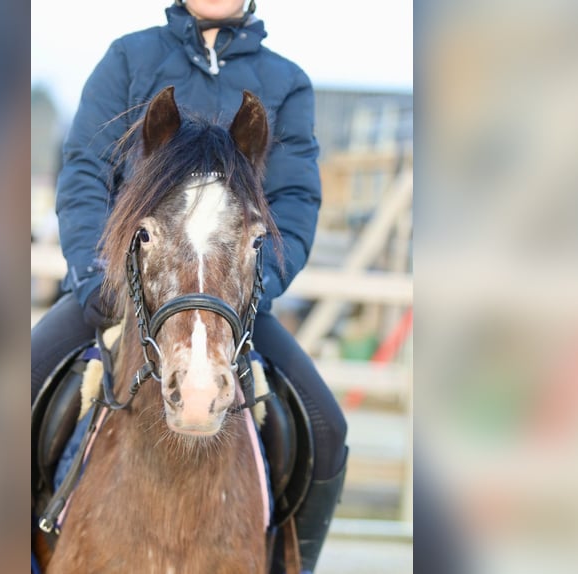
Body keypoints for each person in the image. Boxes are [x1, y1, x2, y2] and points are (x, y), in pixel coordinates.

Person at [31, 1, 348, 571]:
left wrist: (254, 286)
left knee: (326, 429)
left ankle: (285, 560)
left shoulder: (287, 84)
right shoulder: (128, 58)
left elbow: (295, 203)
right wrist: (96, 276)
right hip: (118, 289)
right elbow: (84, 172)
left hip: (232, 298)